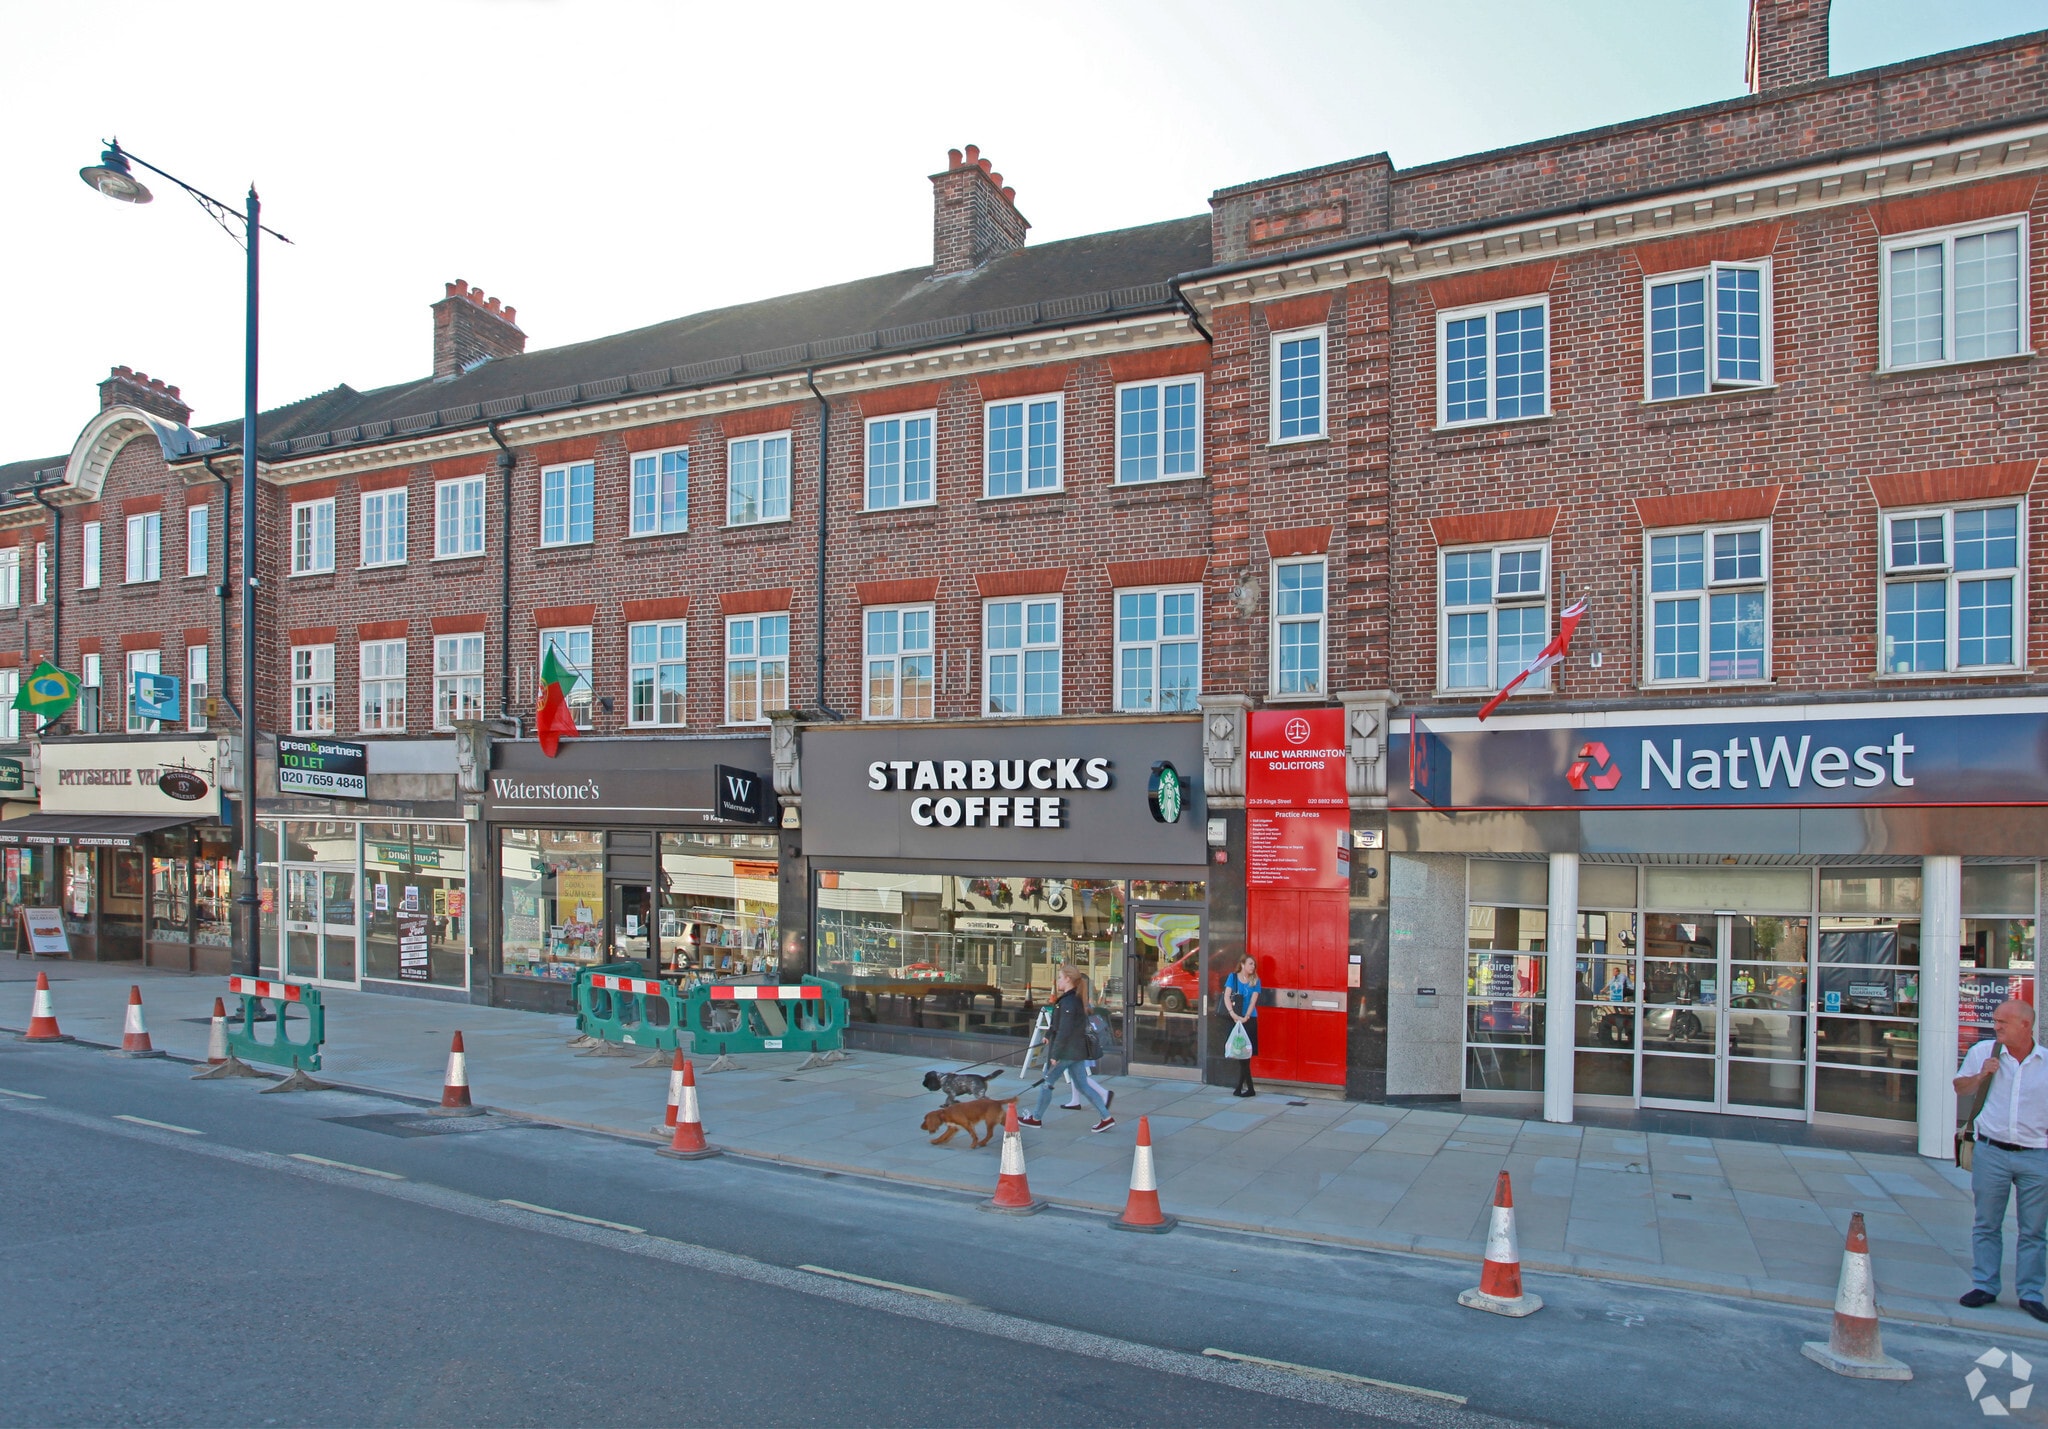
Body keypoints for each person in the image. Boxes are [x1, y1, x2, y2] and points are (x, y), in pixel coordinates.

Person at [1956, 998, 2048, 1321]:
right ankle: (1984, 1285)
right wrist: (1982, 1075)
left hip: (2036, 1155)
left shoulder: (2045, 1063)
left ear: (2025, 1026)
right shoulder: (1984, 1052)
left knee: (2034, 1230)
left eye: (2002, 1023)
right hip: (1991, 1151)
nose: (1995, 1027)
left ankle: (2031, 1293)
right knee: (1986, 1223)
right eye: (1995, 1021)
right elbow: (1960, 1088)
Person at [1021, 963, 1114, 1132]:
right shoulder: (1073, 999)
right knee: (1082, 1085)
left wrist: (1055, 1054)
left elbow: (1065, 1030)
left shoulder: (1069, 1001)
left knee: (1046, 1083)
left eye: (1060, 978)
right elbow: (1059, 1025)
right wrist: (1048, 1036)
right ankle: (1106, 1117)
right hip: (1075, 1052)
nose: (1058, 981)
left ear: (1068, 979)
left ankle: (1036, 1118)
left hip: (1066, 1052)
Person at [1223, 954, 1261, 1097]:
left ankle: (1244, 1088)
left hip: (1249, 1019)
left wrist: (1246, 1017)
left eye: (1254, 964)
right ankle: (1245, 1088)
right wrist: (1233, 1014)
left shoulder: (1256, 980)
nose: (1253, 967)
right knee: (1239, 1052)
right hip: (1234, 1018)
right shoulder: (1232, 978)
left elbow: (1253, 1001)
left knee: (1245, 1053)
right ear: (1243, 964)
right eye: (1250, 964)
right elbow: (1226, 996)